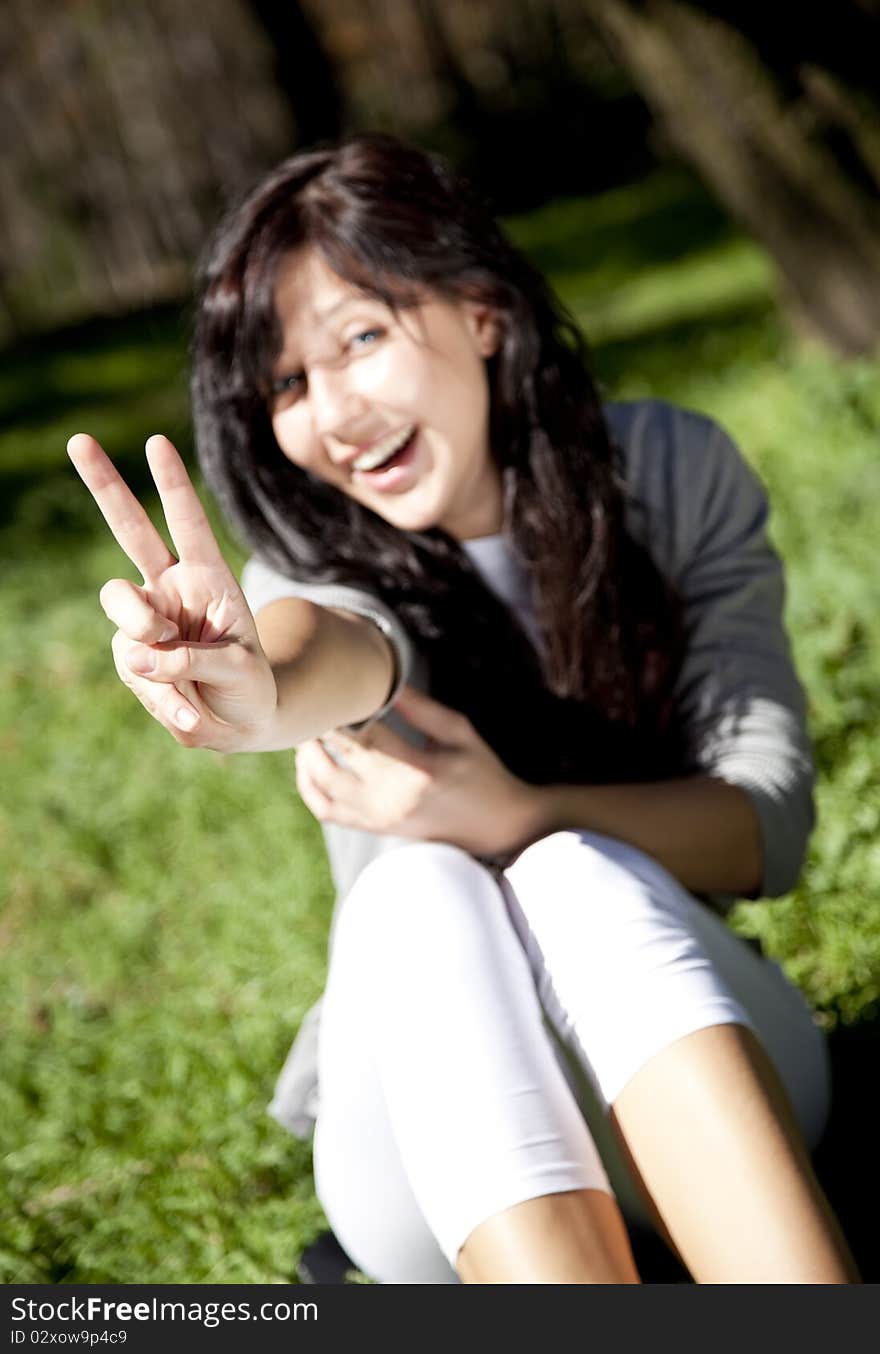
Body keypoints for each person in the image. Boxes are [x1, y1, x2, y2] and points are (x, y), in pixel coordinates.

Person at [68, 132, 859, 1284]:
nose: (331, 413)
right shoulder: (309, 568)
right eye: (286, 383)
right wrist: (261, 683)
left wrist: (518, 813)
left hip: (689, 1067)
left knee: (571, 870)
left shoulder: (669, 475)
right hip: (429, 1151)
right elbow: (342, 643)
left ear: (482, 312)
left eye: (362, 338)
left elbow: (764, 824)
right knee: (416, 894)